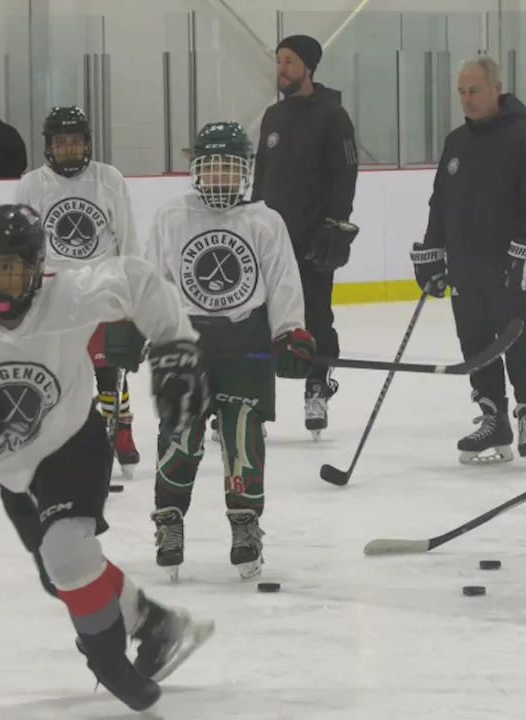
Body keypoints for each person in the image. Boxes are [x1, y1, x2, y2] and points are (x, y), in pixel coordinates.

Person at [0, 203, 214, 715]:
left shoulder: (70, 295)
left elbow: (138, 279)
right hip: (12, 468)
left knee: (67, 556)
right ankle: (157, 624)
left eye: (10, 268)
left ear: (35, 268)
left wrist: (175, 347)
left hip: (74, 442)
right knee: (62, 577)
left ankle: (109, 662)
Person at [146, 121, 312, 581]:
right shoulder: (171, 218)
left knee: (243, 438)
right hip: (188, 344)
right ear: (197, 169)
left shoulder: (264, 220)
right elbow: (153, 280)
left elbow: (282, 281)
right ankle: (169, 522)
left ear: (245, 171)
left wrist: (291, 331)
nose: (219, 178)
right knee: (180, 436)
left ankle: (245, 524)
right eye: (212, 168)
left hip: (246, 344)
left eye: (229, 168)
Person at [410, 53, 526, 468]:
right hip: (465, 265)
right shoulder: (457, 141)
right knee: (475, 343)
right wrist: (432, 251)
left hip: (508, 264)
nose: (466, 99)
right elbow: (441, 200)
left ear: (496, 89)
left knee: (517, 339)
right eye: (461, 92)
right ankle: (495, 418)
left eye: (473, 91)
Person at [14, 106, 142, 477]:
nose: (68, 149)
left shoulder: (109, 179)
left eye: (74, 141)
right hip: (53, 291)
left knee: (108, 366)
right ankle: (58, 438)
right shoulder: (30, 185)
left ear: (86, 142)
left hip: (102, 284)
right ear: (49, 146)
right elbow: (24, 244)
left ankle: (120, 429)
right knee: (56, 372)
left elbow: (128, 237)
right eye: (61, 142)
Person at [252, 34, 358, 439]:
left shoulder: (333, 116)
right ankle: (255, 400)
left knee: (315, 318)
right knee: (259, 320)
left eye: (290, 61)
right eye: (279, 60)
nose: (282, 69)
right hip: (269, 243)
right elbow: (261, 179)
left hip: (314, 240)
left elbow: (345, 177)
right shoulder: (272, 117)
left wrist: (336, 229)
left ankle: (317, 386)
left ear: (308, 68)